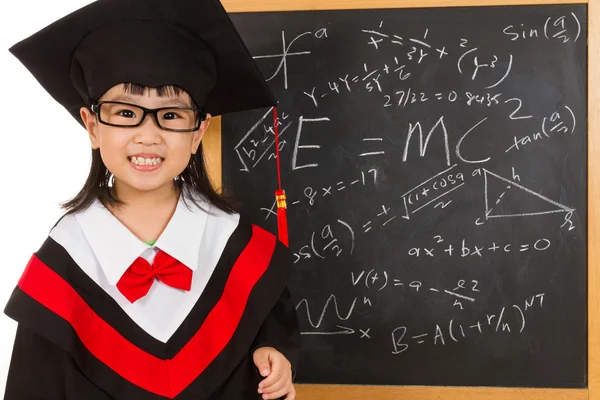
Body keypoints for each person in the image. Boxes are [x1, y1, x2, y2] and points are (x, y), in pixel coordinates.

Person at [2, 0, 300, 399]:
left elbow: (273, 328)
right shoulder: (65, 259)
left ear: (198, 132)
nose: (148, 135)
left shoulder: (240, 248)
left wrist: (275, 353)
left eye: (172, 115)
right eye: (126, 113)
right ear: (91, 126)